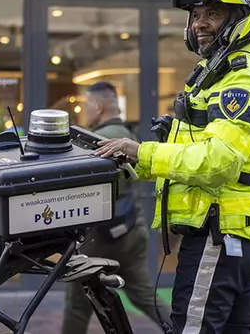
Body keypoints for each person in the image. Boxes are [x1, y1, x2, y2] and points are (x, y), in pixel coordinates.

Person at [94, 0, 250, 334]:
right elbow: (197, 152)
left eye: (212, 13)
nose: (199, 23)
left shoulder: (241, 79)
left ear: (243, 15)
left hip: (220, 232)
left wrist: (142, 152)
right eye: (195, 14)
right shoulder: (220, 73)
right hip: (239, 234)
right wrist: (135, 160)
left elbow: (218, 162)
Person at [61, 81, 172, 334]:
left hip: (99, 236)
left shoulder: (99, 140)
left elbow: (95, 192)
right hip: (131, 230)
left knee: (78, 304)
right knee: (144, 295)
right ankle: (179, 330)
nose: (84, 112)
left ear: (98, 106)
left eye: (86, 106)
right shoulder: (125, 134)